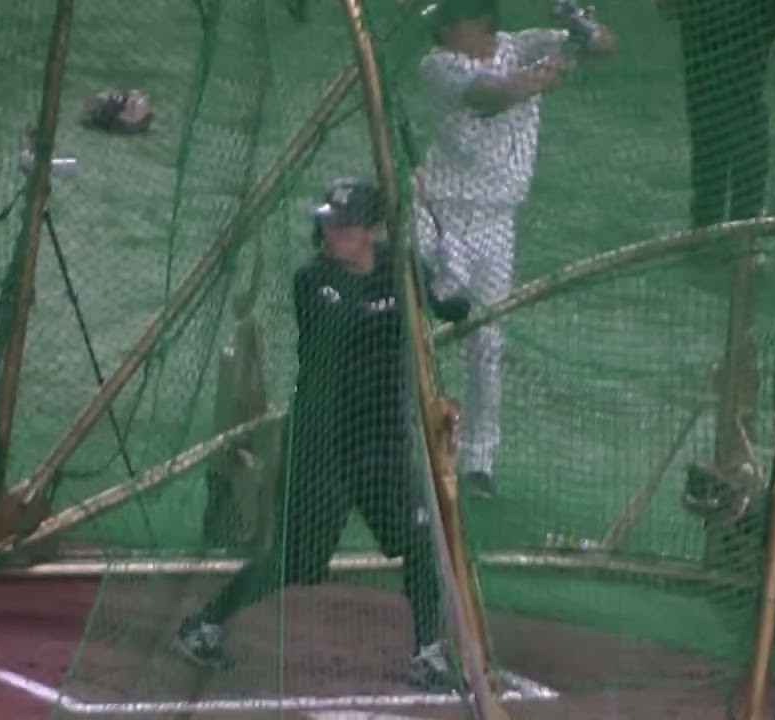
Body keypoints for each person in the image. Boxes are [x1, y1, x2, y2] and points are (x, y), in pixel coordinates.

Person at [173, 177, 472, 689]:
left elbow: (454, 310)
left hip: (381, 443)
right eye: (329, 224)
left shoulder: (399, 267)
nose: (332, 233)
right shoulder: (314, 282)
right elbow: (348, 320)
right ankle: (204, 624)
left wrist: (444, 275)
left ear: (372, 229)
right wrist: (401, 287)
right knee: (298, 560)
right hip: (322, 445)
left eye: (345, 226)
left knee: (423, 537)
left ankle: (426, 652)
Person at [412, 0, 615, 499]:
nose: (441, 28)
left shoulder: (519, 46)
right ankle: (399, 434)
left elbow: (604, 46)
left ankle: (478, 461)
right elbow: (496, 95)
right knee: (418, 320)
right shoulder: (439, 65)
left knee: (487, 344)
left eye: (451, 19)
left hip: (496, 223)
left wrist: (577, 24)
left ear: (481, 21)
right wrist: (555, 68)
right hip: (440, 213)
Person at [655, 0, 775, 229]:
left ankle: (735, 220)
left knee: (730, 104)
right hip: (714, 22)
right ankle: (726, 220)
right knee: (719, 106)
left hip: (735, 19)